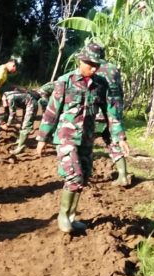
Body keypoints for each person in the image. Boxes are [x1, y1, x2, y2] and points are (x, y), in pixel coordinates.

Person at [34, 44, 130, 233]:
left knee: (84, 176)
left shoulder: (101, 84)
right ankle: (63, 216)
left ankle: (71, 216)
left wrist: (120, 137)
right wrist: (42, 138)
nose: (93, 68)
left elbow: (111, 113)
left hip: (86, 138)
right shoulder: (65, 81)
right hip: (66, 137)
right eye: (89, 64)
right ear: (81, 60)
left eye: (96, 65)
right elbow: (52, 111)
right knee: (74, 176)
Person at [89, 43, 130, 186]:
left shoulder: (93, 68)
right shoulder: (113, 68)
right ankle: (123, 175)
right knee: (112, 140)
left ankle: (84, 174)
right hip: (115, 110)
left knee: (86, 141)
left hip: (99, 110)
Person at [1, 89, 40, 154]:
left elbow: (12, 113)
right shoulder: (5, 93)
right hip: (27, 104)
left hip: (31, 104)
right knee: (23, 124)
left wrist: (8, 124)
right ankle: (20, 140)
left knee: (26, 125)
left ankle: (21, 147)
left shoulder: (10, 98)